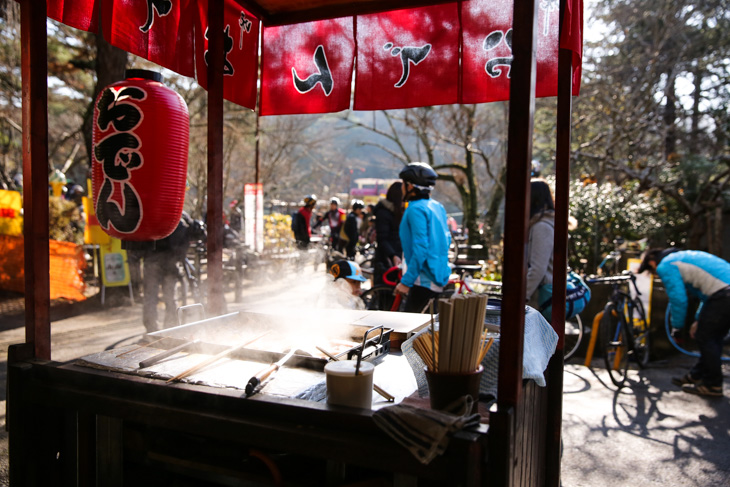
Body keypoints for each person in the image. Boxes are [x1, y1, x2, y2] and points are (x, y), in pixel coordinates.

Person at [638, 248, 730, 397]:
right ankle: (697, 375)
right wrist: (698, 320)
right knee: (712, 338)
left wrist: (677, 328)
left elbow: (678, 299)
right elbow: (705, 296)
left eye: (651, 270)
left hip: (723, 295)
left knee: (706, 338)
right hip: (722, 294)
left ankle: (712, 384)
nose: (656, 274)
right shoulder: (682, 257)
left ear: (652, 262)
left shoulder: (666, 265)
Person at [394, 162, 451, 313]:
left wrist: (406, 281)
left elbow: (420, 248)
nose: (401, 188)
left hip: (423, 280)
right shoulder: (437, 207)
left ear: (410, 186)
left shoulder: (415, 209)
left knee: (407, 331)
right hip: (438, 276)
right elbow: (447, 240)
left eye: (403, 184)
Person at [142, 212, 193, 332]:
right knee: (171, 298)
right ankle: (171, 329)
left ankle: (151, 330)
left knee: (150, 297)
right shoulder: (179, 216)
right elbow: (185, 242)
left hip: (152, 261)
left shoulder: (150, 213)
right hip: (171, 263)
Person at [525, 179, 555, 319]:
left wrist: (522, 296)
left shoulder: (541, 227)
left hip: (539, 297)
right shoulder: (549, 222)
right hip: (545, 294)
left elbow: (537, 268)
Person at [373, 182, 403, 284]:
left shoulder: (398, 211)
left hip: (396, 257)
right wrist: (393, 255)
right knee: (386, 294)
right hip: (386, 259)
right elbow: (382, 239)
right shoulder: (383, 213)